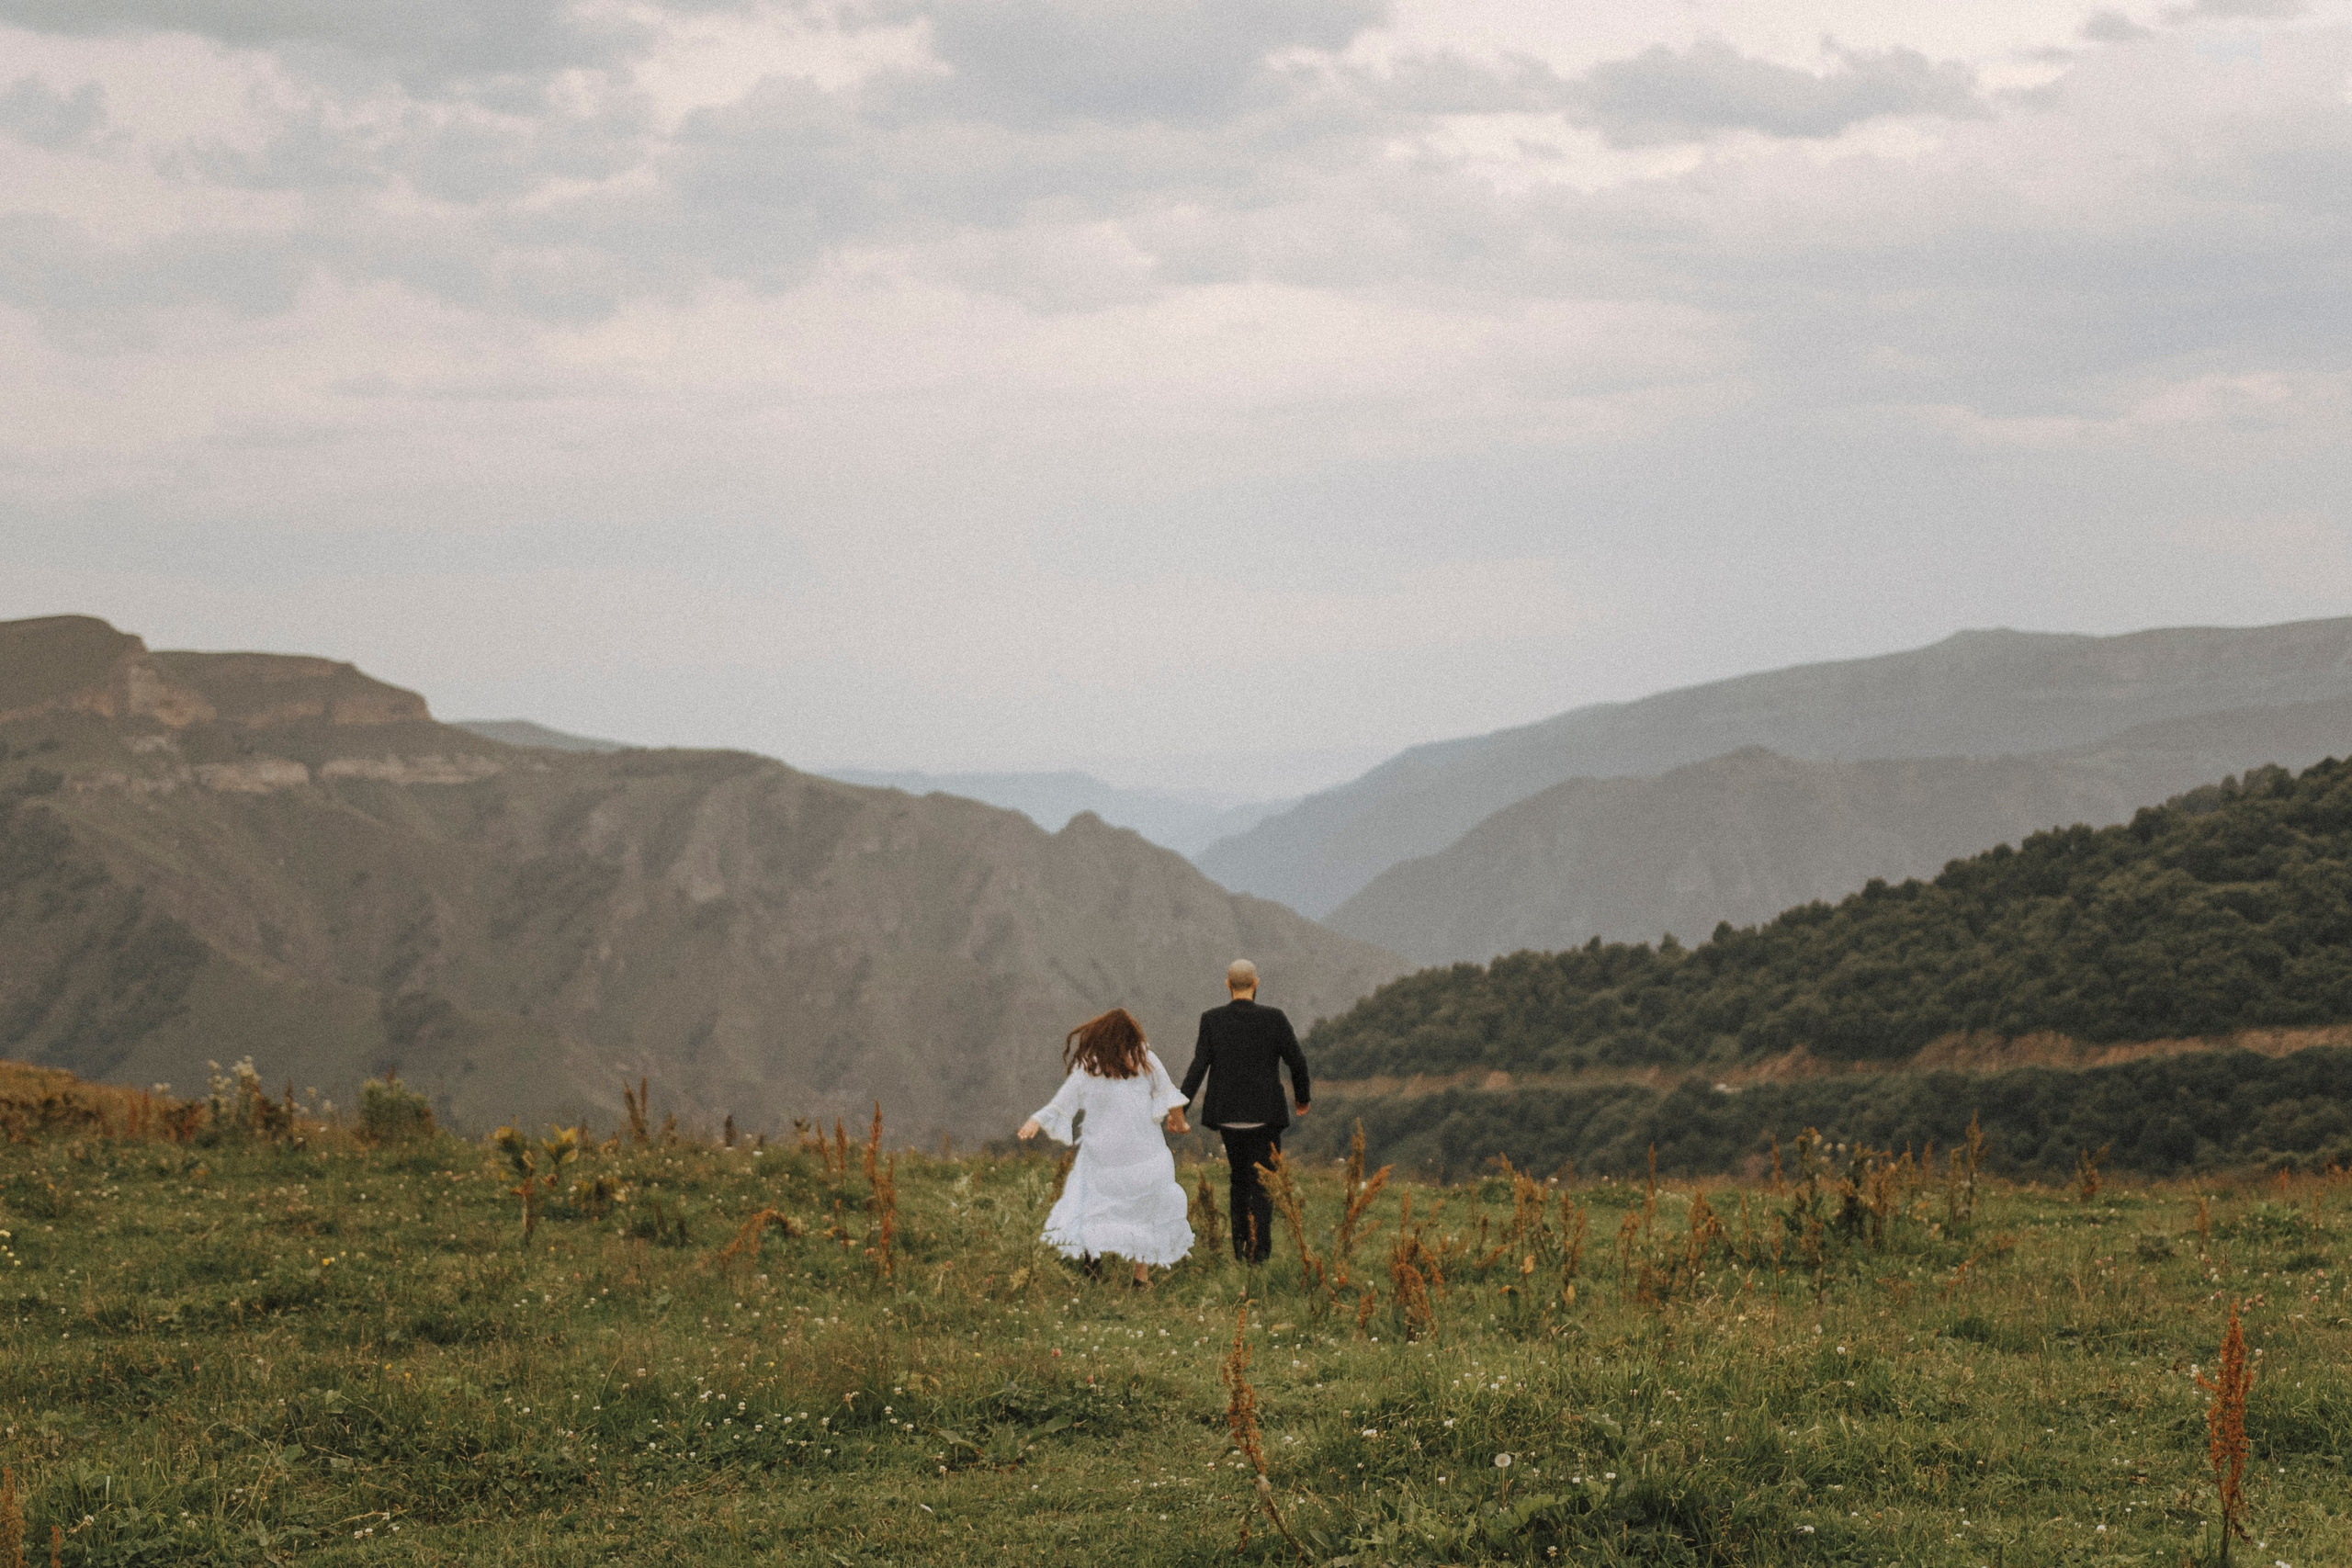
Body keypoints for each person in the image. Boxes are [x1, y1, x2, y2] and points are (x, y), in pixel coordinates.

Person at [1018, 1007, 1194, 1286]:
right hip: (1144, 1152)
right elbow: (1168, 1094)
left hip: (1103, 1153)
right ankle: (1140, 1277)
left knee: (1094, 1203)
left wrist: (1036, 1120)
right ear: (1133, 1034)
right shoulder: (1145, 1059)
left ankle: (1093, 1264)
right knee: (1147, 1208)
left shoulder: (1090, 1065)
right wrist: (1179, 1123)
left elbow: (1065, 1101)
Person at [1178, 959, 1309, 1264]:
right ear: (1256, 983)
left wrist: (1180, 1108)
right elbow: (1297, 1061)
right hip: (1266, 1115)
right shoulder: (1274, 1019)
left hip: (1229, 1116)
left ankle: (1240, 1249)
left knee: (1239, 1179)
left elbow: (1199, 1066)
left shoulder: (1211, 1020)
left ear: (1228, 984)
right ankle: (1259, 1253)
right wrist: (1302, 1099)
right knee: (1264, 1183)